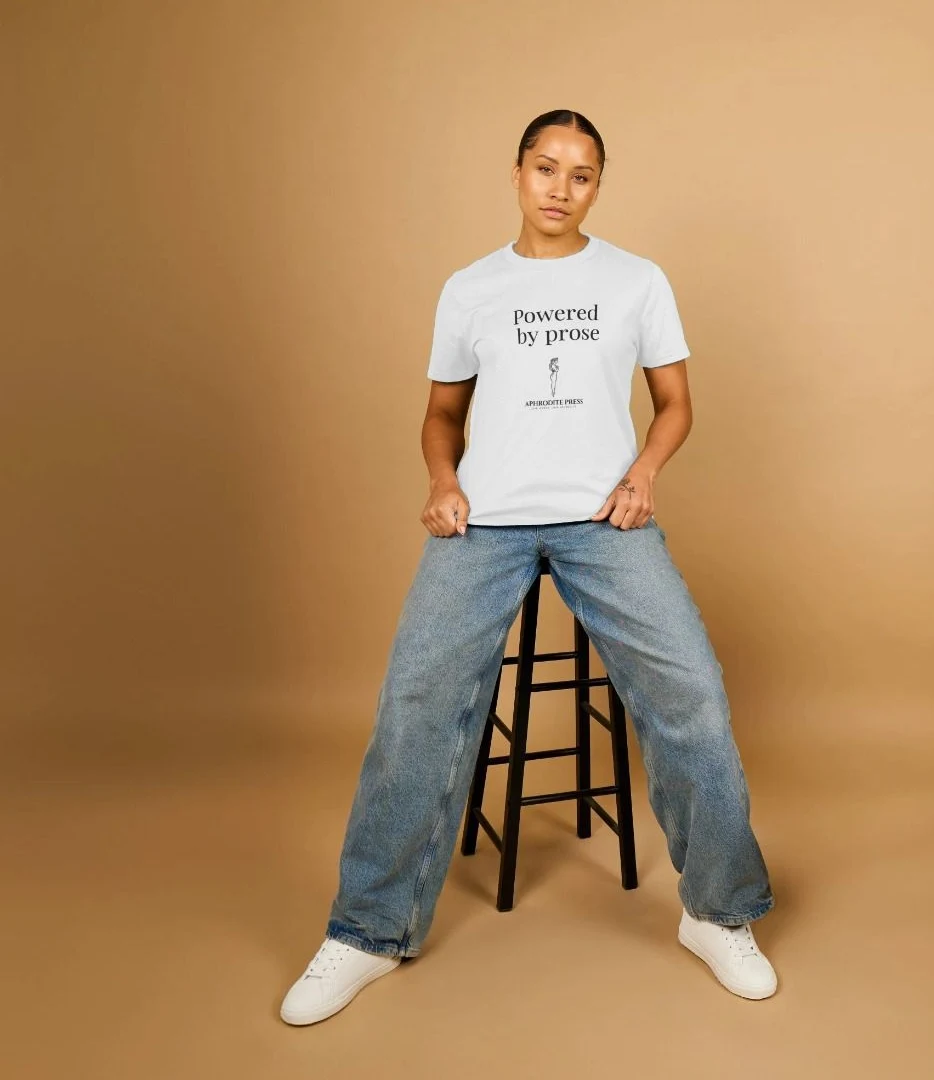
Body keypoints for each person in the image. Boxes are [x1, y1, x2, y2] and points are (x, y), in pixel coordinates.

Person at [280, 109, 778, 1026]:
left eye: (581, 174)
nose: (561, 187)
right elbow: (442, 414)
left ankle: (718, 913)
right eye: (546, 168)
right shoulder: (470, 288)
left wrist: (643, 475)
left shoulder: (636, 280)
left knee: (694, 695)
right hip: (487, 523)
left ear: (598, 187)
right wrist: (442, 483)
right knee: (415, 700)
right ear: (516, 174)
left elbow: (674, 403)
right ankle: (368, 930)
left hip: (603, 519)